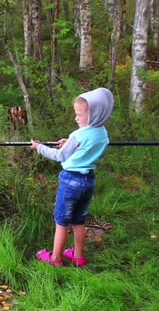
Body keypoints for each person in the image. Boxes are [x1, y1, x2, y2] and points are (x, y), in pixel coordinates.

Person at [30, 87, 114, 266]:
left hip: (70, 180)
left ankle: (55, 259)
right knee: (78, 220)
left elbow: (60, 156)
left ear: (95, 114)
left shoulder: (78, 134)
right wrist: (69, 143)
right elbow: (86, 146)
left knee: (61, 221)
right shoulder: (103, 133)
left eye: (80, 114)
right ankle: (78, 257)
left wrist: (39, 148)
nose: (76, 118)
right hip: (88, 181)